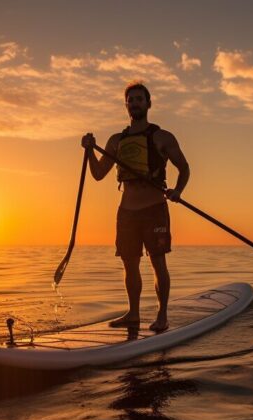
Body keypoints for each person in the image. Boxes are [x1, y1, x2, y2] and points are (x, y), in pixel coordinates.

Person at [81, 82, 190, 333]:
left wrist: (178, 191)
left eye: (140, 99)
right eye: (131, 99)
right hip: (127, 212)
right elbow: (98, 174)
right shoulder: (116, 140)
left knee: (157, 262)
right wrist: (89, 152)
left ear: (148, 104)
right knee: (130, 264)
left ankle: (162, 316)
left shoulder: (163, 137)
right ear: (126, 105)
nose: (135, 103)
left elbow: (184, 168)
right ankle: (133, 314)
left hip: (154, 208)